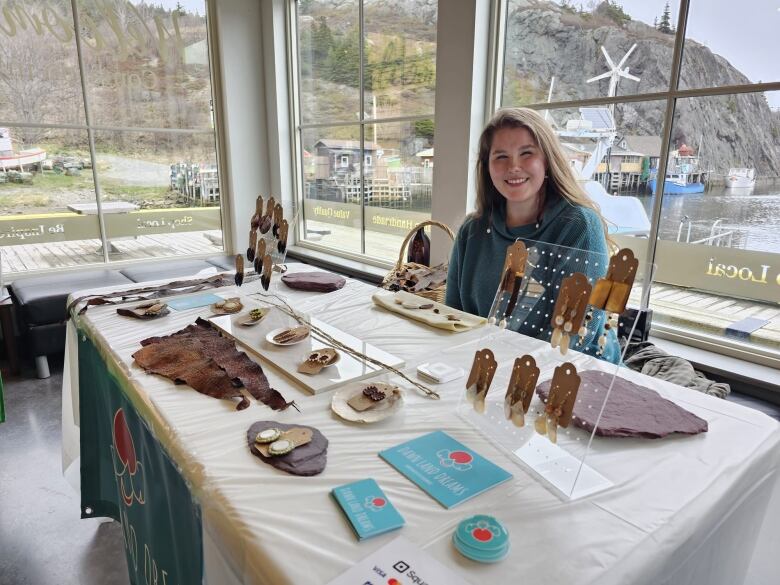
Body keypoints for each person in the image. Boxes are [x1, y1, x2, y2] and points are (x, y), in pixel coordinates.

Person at [445, 107, 621, 363]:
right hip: (487, 365)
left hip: (575, 370)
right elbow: (452, 317)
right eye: (500, 156)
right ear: (487, 166)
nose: (513, 167)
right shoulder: (471, 231)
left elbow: (574, 336)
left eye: (526, 153)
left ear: (547, 160)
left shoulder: (579, 226)